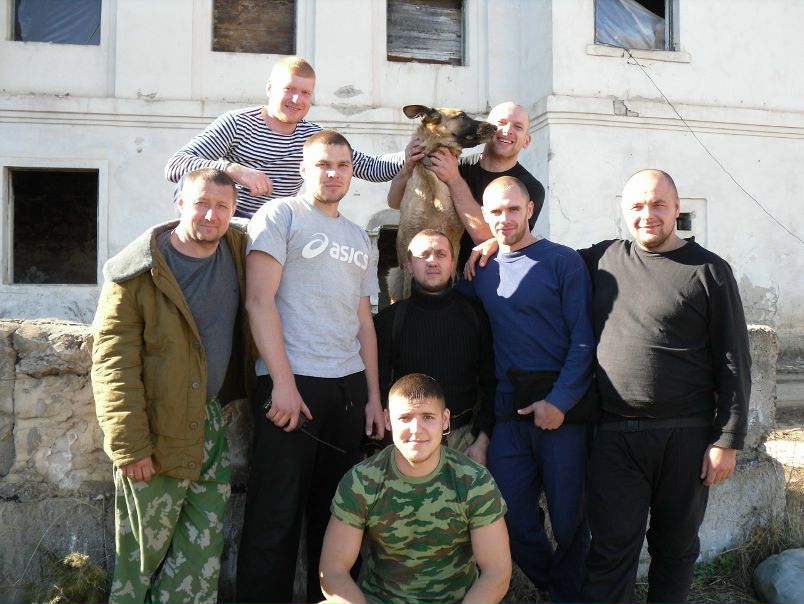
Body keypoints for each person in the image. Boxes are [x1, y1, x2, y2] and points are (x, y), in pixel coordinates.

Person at [579, 169, 751, 604]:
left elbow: (734, 359)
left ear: (677, 208)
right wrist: (491, 242)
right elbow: (538, 258)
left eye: (658, 204)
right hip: (615, 436)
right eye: (637, 205)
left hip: (686, 436)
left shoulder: (710, 271)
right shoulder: (602, 259)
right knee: (610, 550)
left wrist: (728, 440)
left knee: (675, 550)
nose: (647, 215)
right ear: (624, 210)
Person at [237, 130, 385, 604]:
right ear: (303, 168)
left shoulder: (358, 235)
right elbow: (259, 302)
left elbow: (364, 322)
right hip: (292, 383)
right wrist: (281, 382)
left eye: (342, 165)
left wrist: (373, 398)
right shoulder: (279, 215)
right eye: (323, 164)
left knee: (338, 518)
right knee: (274, 518)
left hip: (347, 389)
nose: (333, 173)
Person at [91, 168, 251, 603]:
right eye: (201, 204)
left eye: (222, 206)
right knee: (139, 566)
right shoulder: (135, 273)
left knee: (199, 563)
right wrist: (129, 445)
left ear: (234, 211)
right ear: (180, 203)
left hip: (211, 427)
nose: (211, 215)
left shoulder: (238, 249)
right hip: (156, 431)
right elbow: (112, 363)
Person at [456, 176, 595, 603]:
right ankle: (557, 587)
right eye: (495, 211)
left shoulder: (563, 261)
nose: (504, 219)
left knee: (570, 521)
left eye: (513, 209)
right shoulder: (481, 269)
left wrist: (559, 402)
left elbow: (584, 340)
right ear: (484, 214)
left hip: (562, 412)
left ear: (530, 209)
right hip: (508, 415)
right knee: (508, 517)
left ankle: (567, 596)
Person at [320, 372, 511, 604]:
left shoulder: (473, 481)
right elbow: (333, 571)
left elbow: (496, 572)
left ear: (445, 420)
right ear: (388, 420)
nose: (416, 429)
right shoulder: (361, 480)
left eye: (428, 417)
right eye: (405, 417)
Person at [165, 56, 405, 218]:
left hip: (274, 227)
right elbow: (176, 166)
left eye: (305, 93)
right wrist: (235, 171)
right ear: (270, 88)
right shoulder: (237, 123)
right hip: (225, 221)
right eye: (289, 89)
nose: (296, 100)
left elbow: (373, 169)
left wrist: (417, 151)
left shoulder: (314, 138)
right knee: (189, 186)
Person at [374, 228, 496, 463]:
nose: (432, 261)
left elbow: (492, 385)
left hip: (463, 442)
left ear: (452, 263)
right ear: (409, 264)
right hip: (407, 442)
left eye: (441, 254)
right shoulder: (389, 321)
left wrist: (482, 441)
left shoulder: (475, 317)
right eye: (423, 255)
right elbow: (377, 390)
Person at [388, 101, 546, 268]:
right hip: (446, 278)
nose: (507, 130)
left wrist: (454, 180)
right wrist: (408, 167)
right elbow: (395, 202)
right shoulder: (454, 165)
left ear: (527, 141)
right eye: (501, 123)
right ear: (488, 128)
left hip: (494, 277)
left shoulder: (529, 188)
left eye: (518, 127)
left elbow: (494, 238)